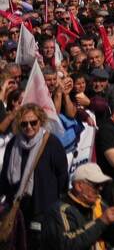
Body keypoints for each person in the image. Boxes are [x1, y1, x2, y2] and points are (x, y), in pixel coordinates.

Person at [40, 163, 114, 250]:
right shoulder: (59, 210)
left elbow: (109, 234)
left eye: (102, 185)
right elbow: (66, 244)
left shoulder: (99, 204)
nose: (100, 189)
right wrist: (102, 221)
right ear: (79, 186)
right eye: (96, 185)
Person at [0, 104, 68, 245]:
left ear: (41, 121)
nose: (29, 127)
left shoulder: (51, 143)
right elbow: (5, 177)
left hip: (44, 209)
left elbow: (62, 176)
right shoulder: (13, 143)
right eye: (24, 124)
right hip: (19, 210)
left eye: (33, 122)